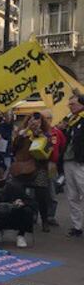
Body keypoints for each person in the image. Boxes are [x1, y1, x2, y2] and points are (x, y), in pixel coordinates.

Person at [11, 112, 53, 233]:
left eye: (37, 121)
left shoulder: (46, 135)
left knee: (42, 195)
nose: (34, 124)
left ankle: (44, 220)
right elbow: (13, 148)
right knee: (18, 193)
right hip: (22, 168)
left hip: (39, 168)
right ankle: (21, 219)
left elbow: (48, 151)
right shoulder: (22, 133)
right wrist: (25, 131)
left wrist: (38, 135)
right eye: (31, 121)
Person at [0, 166, 36, 248]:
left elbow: (32, 202)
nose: (0, 180)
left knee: (27, 211)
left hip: (14, 214)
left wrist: (22, 202)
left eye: (1, 177)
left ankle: (21, 235)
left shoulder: (14, 187)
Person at [63, 94, 84, 237]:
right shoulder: (72, 120)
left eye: (73, 104)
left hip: (81, 162)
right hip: (68, 161)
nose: (70, 106)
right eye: (69, 104)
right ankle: (77, 226)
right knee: (72, 196)